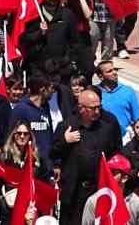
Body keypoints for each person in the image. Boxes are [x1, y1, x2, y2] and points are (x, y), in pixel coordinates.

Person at [51, 89, 122, 225]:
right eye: (92, 108)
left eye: (98, 107)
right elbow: (53, 153)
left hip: (97, 190)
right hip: (74, 192)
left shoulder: (105, 129)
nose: (97, 111)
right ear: (81, 108)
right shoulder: (67, 126)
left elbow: (115, 153)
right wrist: (64, 141)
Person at [95, 59, 139, 132]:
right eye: (109, 71)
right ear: (101, 77)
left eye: (114, 69)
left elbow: (138, 118)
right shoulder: (94, 93)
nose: (114, 72)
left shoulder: (128, 91)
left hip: (125, 137)